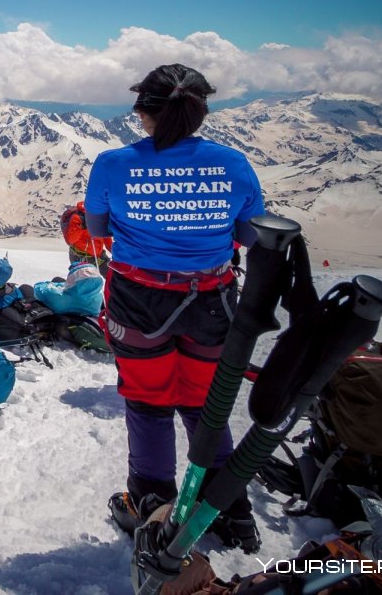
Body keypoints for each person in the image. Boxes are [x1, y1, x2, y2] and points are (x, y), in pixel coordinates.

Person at [84, 63, 265, 552]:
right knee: (206, 405)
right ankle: (230, 512)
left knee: (148, 402)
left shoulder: (112, 163)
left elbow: (98, 232)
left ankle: (151, 505)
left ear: (144, 112)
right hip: (213, 301)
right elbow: (249, 235)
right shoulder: (233, 163)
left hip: (139, 299)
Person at [61, 200, 112, 275]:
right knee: (85, 282)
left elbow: (107, 239)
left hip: (99, 256)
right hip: (80, 257)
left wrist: (118, 254)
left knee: (112, 277)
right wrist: (85, 229)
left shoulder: (101, 218)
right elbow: (71, 239)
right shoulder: (77, 218)